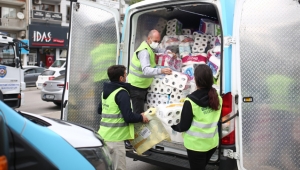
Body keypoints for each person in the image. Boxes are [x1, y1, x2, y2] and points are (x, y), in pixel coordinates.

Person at [127, 29, 174, 151]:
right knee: (137, 115)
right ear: (149, 39)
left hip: (142, 86)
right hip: (136, 86)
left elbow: (158, 49)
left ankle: (139, 140)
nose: (157, 43)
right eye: (155, 41)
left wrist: (167, 52)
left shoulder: (149, 46)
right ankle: (133, 143)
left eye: (158, 41)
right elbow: (146, 70)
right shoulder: (144, 52)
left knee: (140, 113)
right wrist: (161, 70)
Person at [171, 64, 222, 170]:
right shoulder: (217, 98)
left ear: (196, 80)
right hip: (211, 144)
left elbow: (184, 126)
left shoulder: (190, 101)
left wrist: (173, 126)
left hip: (195, 146)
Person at [97, 65, 149, 170]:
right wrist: (141, 117)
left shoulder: (105, 92)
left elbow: (99, 110)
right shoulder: (121, 93)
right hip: (116, 140)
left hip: (103, 136)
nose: (127, 76)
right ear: (121, 78)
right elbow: (128, 117)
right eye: (125, 74)